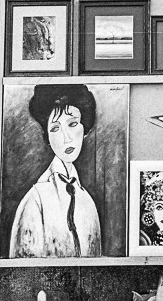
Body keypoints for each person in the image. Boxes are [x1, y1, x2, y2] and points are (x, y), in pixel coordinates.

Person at [9, 84, 102, 258]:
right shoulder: (36, 200)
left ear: (85, 129)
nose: (66, 138)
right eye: (55, 128)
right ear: (48, 137)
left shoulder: (88, 202)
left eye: (73, 124)